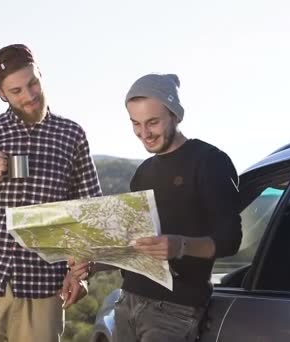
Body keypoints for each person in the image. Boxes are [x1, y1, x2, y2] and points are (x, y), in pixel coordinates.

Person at [0, 43, 103, 342]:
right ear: (1, 94)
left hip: (43, 290)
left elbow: (90, 214)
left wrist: (81, 273)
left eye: (33, 83)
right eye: (16, 91)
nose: (29, 96)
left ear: (41, 74)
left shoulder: (72, 135)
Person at [69, 73, 242, 342]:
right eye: (135, 124)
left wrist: (180, 246)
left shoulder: (210, 162)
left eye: (152, 122)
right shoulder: (143, 173)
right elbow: (134, 248)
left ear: (176, 115)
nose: (144, 133)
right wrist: (94, 264)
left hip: (175, 310)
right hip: (127, 302)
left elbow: (230, 240)